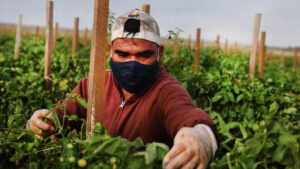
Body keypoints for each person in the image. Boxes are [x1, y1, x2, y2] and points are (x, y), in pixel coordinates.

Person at [27, 9, 219, 169]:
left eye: (143, 55)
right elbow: (60, 117)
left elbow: (188, 115)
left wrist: (202, 136)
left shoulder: (166, 90)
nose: (132, 63)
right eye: (123, 54)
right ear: (110, 51)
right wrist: (40, 121)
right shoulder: (92, 85)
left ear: (159, 54)